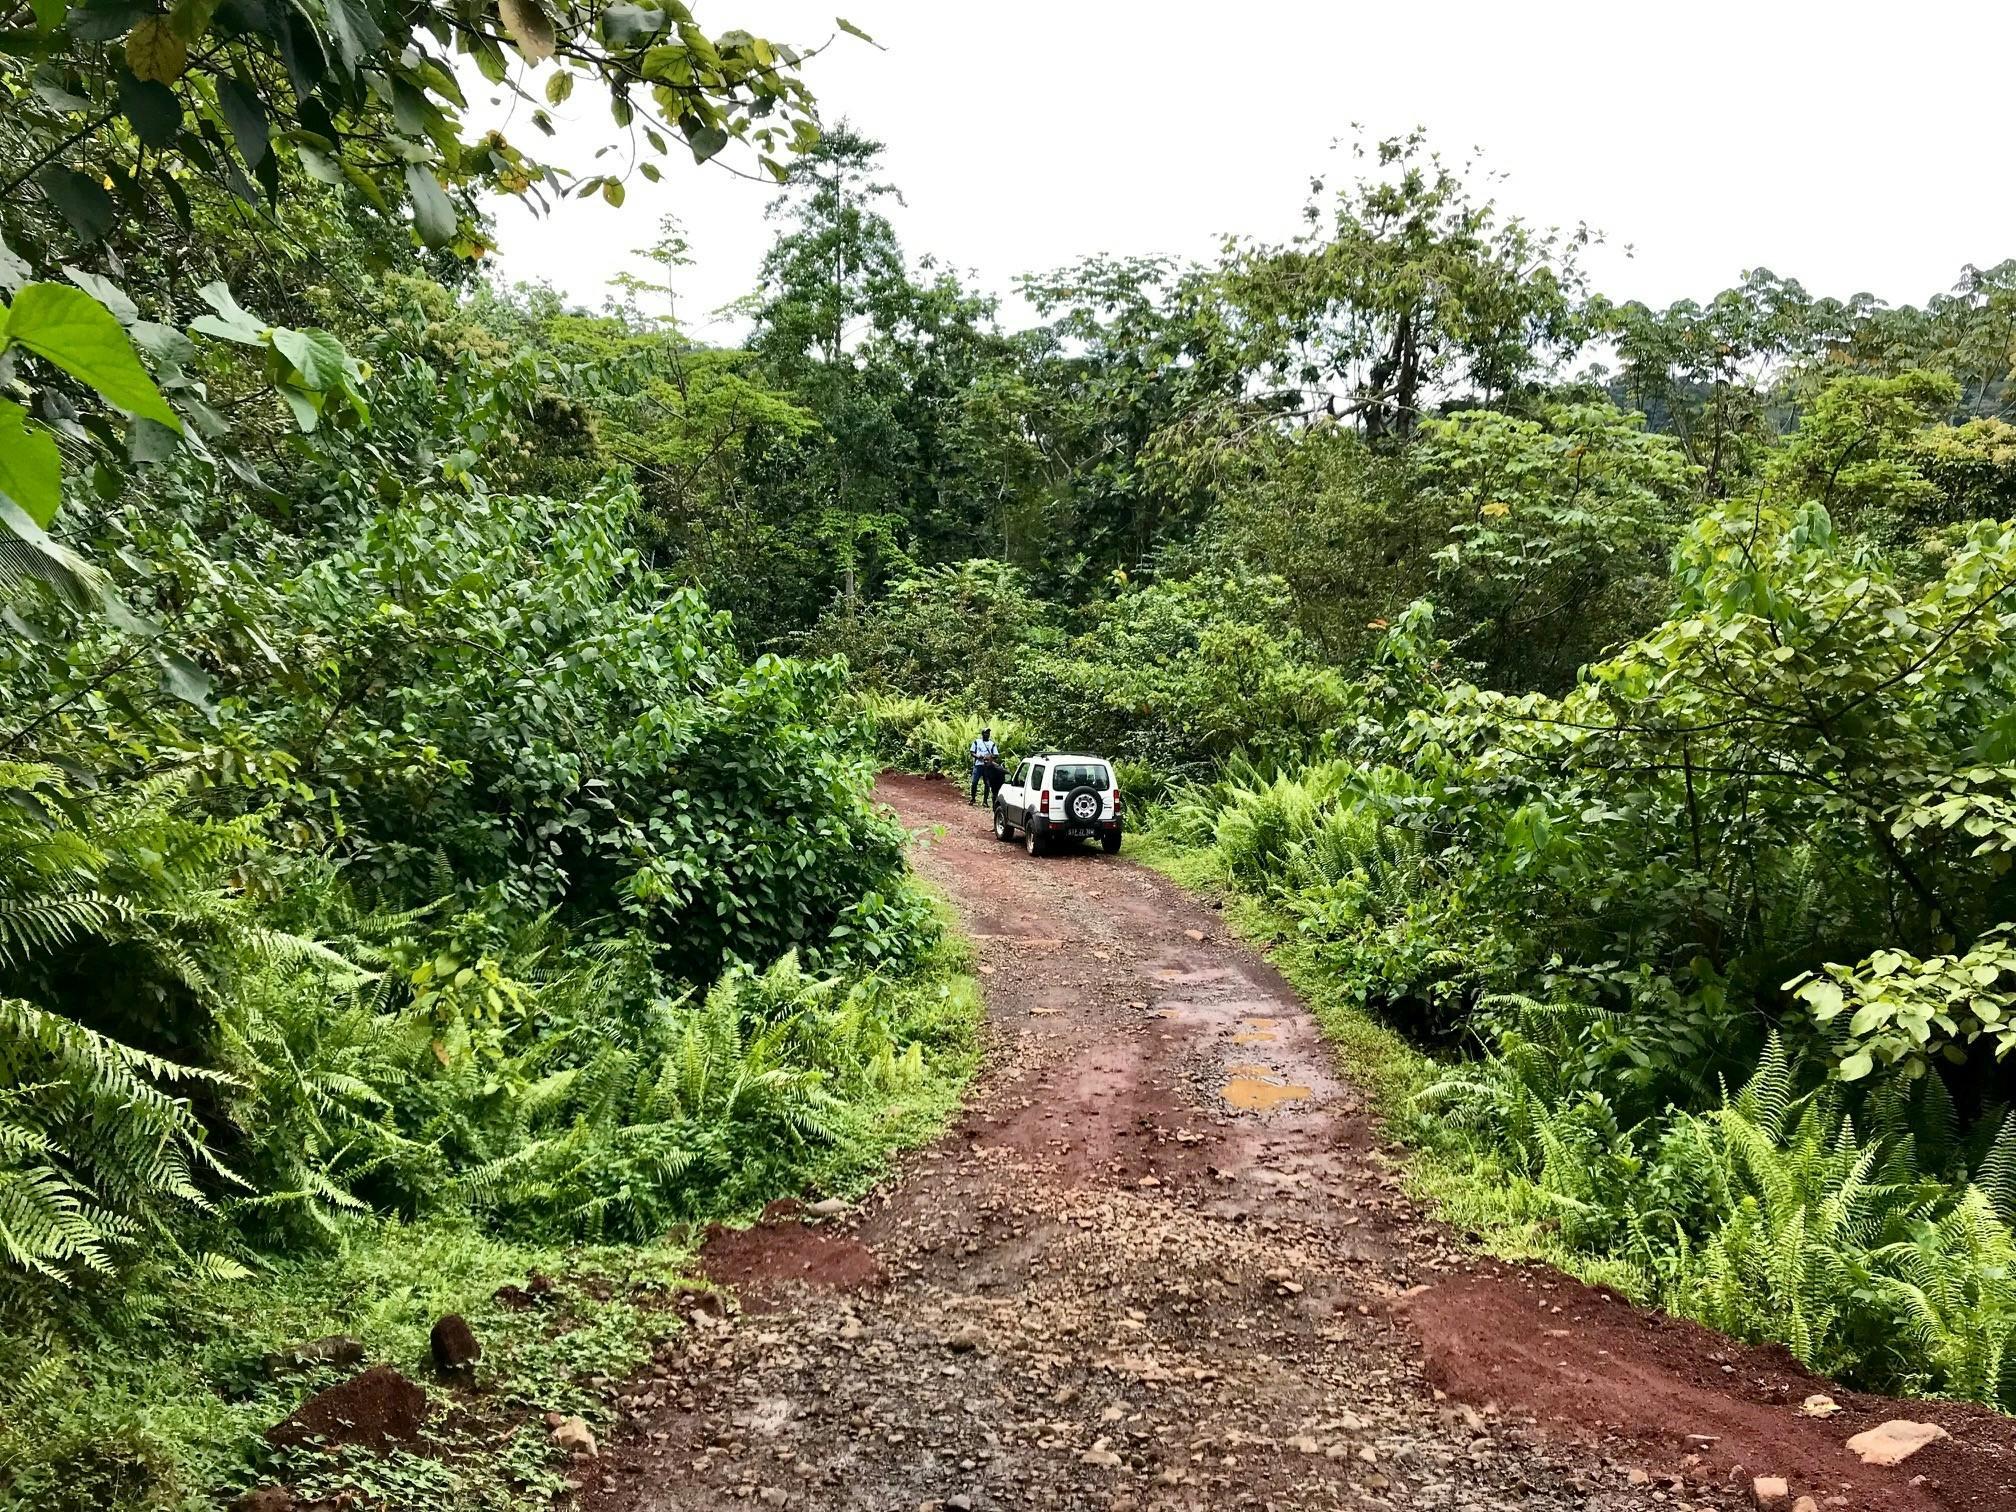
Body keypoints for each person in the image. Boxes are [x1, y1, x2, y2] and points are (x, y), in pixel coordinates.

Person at [968, 728, 1000, 805]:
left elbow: (996, 755)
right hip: (978, 765)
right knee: (974, 782)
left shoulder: (992, 744)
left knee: (987, 784)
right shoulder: (977, 742)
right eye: (986, 733)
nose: (987, 734)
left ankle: (985, 801)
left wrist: (989, 757)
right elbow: (972, 752)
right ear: (982, 734)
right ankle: (973, 798)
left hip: (988, 766)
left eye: (988, 733)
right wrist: (978, 756)